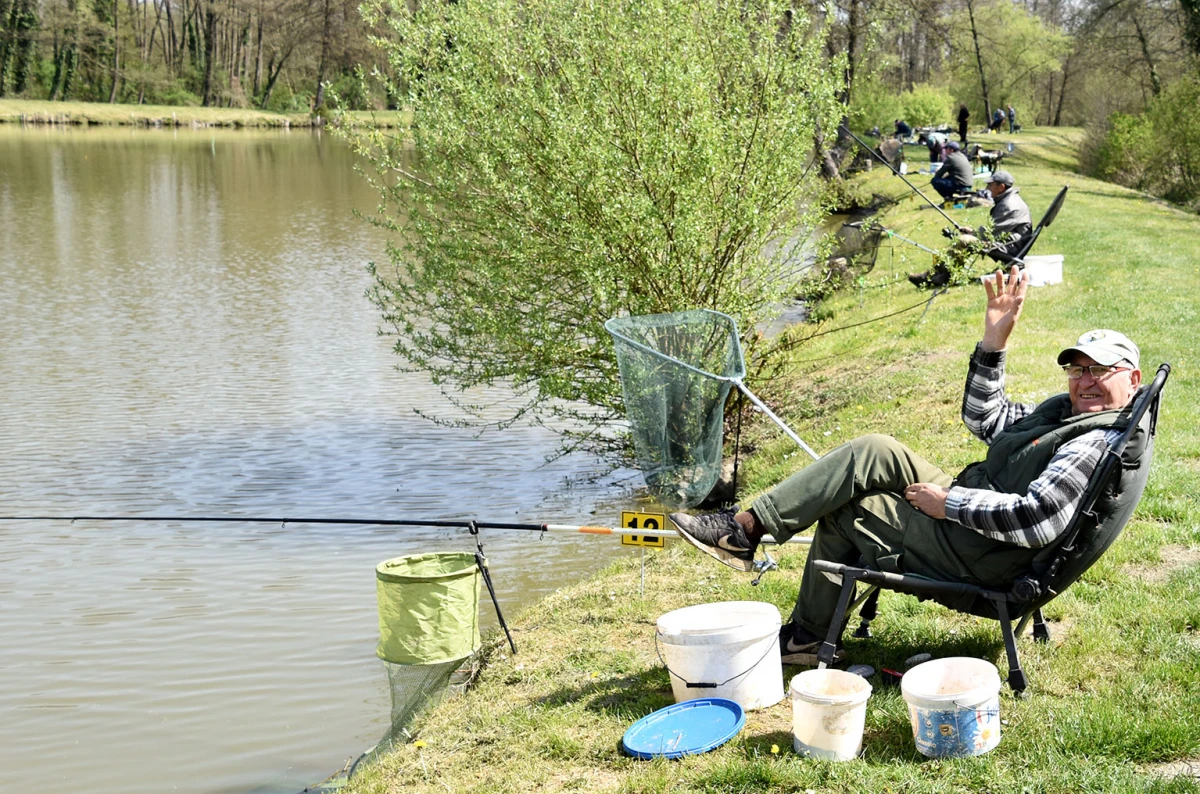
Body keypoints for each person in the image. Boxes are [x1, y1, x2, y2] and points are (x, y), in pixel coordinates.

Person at [670, 269, 1144, 664]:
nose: (1086, 380)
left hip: (983, 549)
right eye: (1078, 369)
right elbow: (987, 418)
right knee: (874, 449)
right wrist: (993, 342)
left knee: (852, 510)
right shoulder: (1065, 412)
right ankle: (746, 530)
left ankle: (805, 634)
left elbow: (1036, 520)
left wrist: (949, 505)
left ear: (1133, 378)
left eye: (1101, 370)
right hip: (980, 507)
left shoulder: (1094, 443)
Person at [957, 170, 1032, 260]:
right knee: (967, 238)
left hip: (1009, 247)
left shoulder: (1008, 205)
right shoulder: (1010, 200)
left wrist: (973, 234)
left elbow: (991, 233)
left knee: (964, 240)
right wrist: (973, 232)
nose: (987, 188)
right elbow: (995, 229)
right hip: (1010, 244)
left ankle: (945, 271)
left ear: (1001, 187)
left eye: (990, 185)